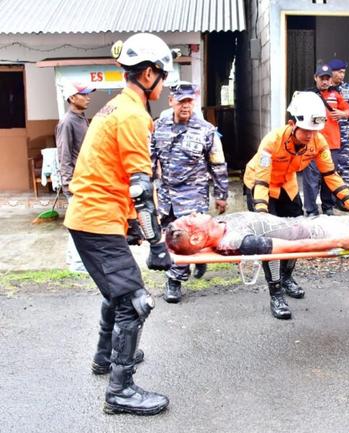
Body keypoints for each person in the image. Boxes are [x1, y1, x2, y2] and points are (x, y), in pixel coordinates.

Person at [64, 33, 175, 415]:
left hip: (94, 216)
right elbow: (141, 186)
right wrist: (156, 244)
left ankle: (103, 358)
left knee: (118, 291)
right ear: (148, 74)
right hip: (96, 219)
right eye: (163, 75)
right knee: (135, 300)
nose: (165, 84)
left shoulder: (113, 107)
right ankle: (120, 391)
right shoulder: (133, 115)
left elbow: (110, 171)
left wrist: (130, 223)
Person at [243, 90, 349, 320]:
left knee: (297, 234)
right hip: (259, 186)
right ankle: (275, 292)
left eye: (314, 130)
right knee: (271, 241)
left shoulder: (318, 141)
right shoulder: (272, 141)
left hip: (287, 186)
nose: (309, 135)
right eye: (305, 130)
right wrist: (263, 214)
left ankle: (286, 277)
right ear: (292, 123)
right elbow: (262, 180)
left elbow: (331, 176)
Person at [151, 81, 229, 303]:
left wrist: (221, 195)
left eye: (189, 102)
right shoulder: (159, 126)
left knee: (184, 237)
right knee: (170, 237)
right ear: (171, 101)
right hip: (166, 196)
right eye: (181, 101)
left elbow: (218, 164)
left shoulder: (206, 130)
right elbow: (150, 159)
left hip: (193, 195)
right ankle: (196, 258)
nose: (185, 106)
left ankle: (174, 281)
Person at [165, 207, 349, 256]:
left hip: (310, 221)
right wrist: (336, 242)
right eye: (190, 221)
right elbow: (285, 249)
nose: (194, 214)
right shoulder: (237, 241)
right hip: (319, 232)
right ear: (196, 237)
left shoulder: (220, 225)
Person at [56, 80, 95, 273]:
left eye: (88, 94)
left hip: (86, 181)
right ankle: (77, 264)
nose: (88, 97)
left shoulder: (81, 118)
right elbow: (64, 155)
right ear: (72, 98)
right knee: (78, 224)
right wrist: (68, 185)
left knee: (81, 222)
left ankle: (78, 261)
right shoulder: (67, 122)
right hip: (76, 184)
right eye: (84, 94)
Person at [302, 63, 349, 217]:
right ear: (315, 78)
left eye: (327, 78)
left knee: (329, 177)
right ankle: (311, 209)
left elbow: (348, 110)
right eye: (321, 78)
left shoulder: (336, 95)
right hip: (312, 144)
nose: (324, 81)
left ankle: (328, 207)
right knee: (311, 179)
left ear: (331, 80)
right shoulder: (308, 95)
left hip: (333, 145)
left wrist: (342, 114)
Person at [327, 58, 349, 190]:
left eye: (344, 72)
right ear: (332, 72)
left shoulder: (347, 89)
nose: (342, 75)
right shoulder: (325, 88)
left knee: (345, 164)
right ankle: (330, 197)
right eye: (339, 72)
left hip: (345, 133)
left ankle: (344, 198)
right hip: (328, 133)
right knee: (329, 164)